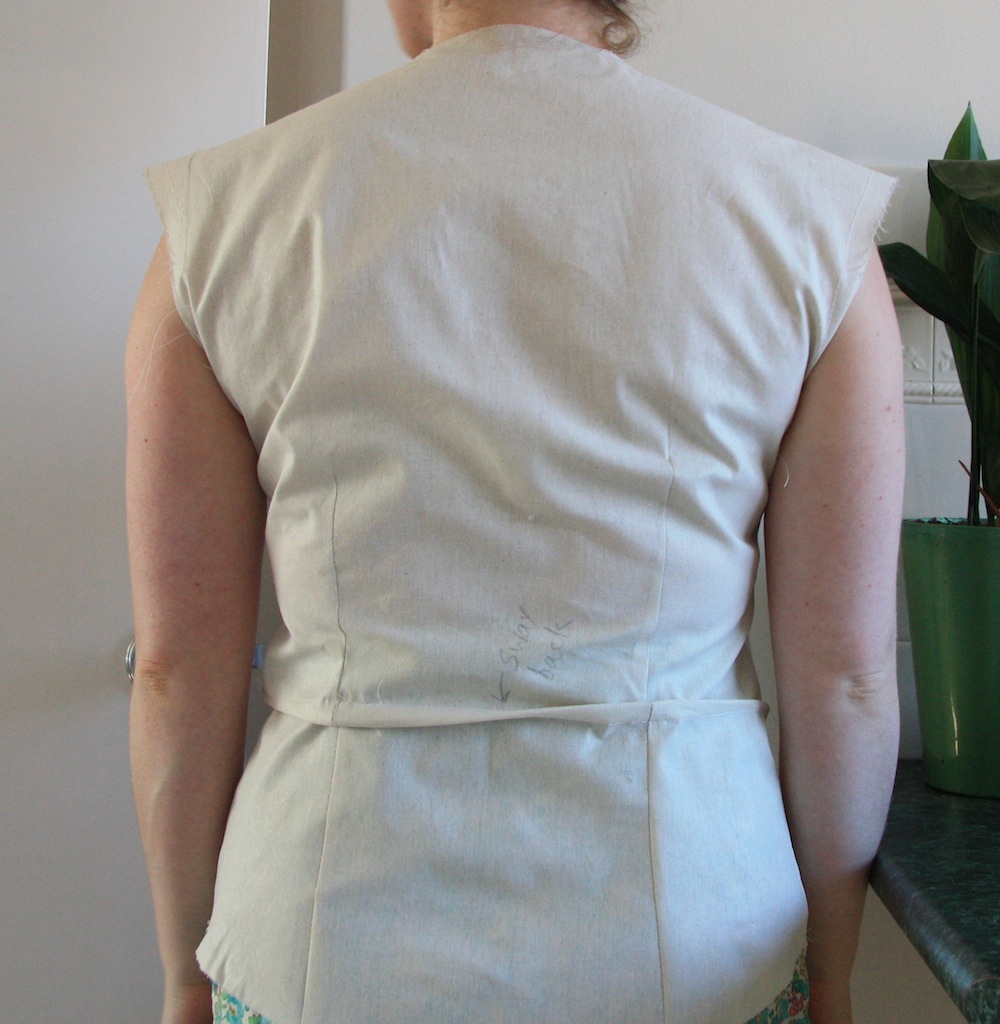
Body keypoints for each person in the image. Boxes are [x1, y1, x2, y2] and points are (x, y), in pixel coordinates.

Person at [126, 1, 904, 1023]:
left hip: (321, 947)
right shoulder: (809, 224)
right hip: (691, 945)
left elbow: (178, 672)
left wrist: (186, 974)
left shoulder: (222, 217)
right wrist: (835, 976)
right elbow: (844, 682)